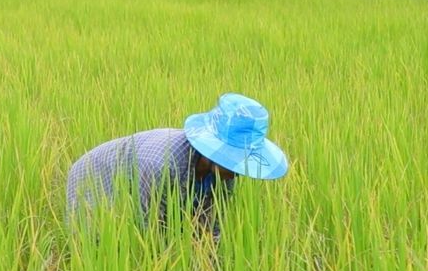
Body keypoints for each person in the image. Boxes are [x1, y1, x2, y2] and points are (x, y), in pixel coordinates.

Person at [66, 93, 288, 240]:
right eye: (233, 159)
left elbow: (211, 225)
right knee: (101, 243)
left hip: (146, 180)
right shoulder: (160, 165)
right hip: (96, 178)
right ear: (213, 152)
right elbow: (147, 231)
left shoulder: (225, 174)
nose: (238, 170)